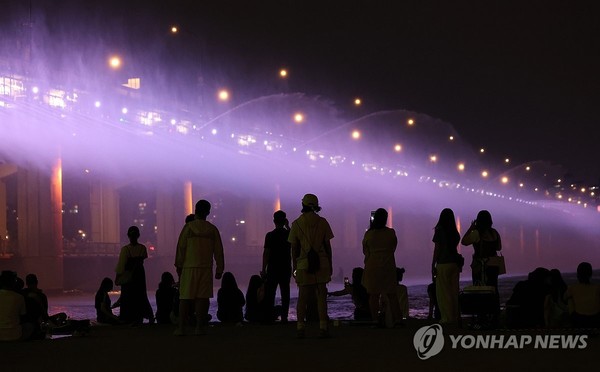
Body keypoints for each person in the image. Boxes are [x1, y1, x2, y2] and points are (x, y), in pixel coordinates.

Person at [174, 199, 225, 336]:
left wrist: (179, 265)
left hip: (188, 268)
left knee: (184, 298)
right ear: (208, 212)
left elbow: (181, 248)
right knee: (202, 299)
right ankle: (199, 327)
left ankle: (181, 328)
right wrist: (219, 268)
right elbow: (219, 251)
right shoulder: (212, 229)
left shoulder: (188, 228)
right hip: (206, 268)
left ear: (195, 210)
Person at [288, 193, 334, 338]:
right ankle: (323, 327)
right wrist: (330, 264)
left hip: (303, 264)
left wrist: (294, 267)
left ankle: (300, 327)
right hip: (322, 262)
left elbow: (294, 249)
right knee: (321, 296)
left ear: (303, 205)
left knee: (302, 297)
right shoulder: (323, 222)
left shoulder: (296, 224)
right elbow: (328, 246)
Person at [362, 208, 402, 327]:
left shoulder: (369, 234)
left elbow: (365, 250)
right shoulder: (391, 233)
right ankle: (397, 319)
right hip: (388, 265)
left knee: (373, 295)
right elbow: (394, 246)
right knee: (392, 294)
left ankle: (375, 319)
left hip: (372, 266)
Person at [115, 226, 154, 325]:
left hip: (129, 275)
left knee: (128, 297)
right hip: (140, 275)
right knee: (141, 296)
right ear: (138, 235)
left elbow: (121, 265)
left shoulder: (125, 249)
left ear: (128, 236)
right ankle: (143, 316)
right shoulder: (142, 248)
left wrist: (118, 277)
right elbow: (144, 258)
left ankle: (128, 318)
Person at [431, 208, 461, 324]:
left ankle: (447, 318)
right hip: (454, 263)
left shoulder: (439, 230)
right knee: (454, 292)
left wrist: (433, 264)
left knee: (443, 292)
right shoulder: (455, 232)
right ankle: (456, 316)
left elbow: (437, 249)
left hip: (443, 263)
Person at [261, 210, 292, 323]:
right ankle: (284, 317)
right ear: (284, 221)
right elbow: (296, 240)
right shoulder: (288, 234)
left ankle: (269, 316)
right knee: (285, 293)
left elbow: (266, 253)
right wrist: (288, 227)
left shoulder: (270, 235)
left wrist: (264, 268)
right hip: (285, 268)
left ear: (274, 221)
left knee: (270, 293)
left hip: (273, 268)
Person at [461, 210, 502, 290]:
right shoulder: (494, 232)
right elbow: (499, 248)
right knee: (493, 287)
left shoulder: (477, 233)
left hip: (480, 266)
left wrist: (471, 228)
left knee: (480, 288)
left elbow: (464, 241)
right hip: (493, 265)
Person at [564, 262, 600, 328]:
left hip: (578, 319)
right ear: (590, 274)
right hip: (596, 318)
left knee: (570, 298)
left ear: (578, 275)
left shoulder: (572, 288)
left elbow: (564, 299)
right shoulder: (597, 287)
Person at [0, 270, 33, 341]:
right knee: (29, 326)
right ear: (14, 283)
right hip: (14, 335)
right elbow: (23, 317)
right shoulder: (19, 297)